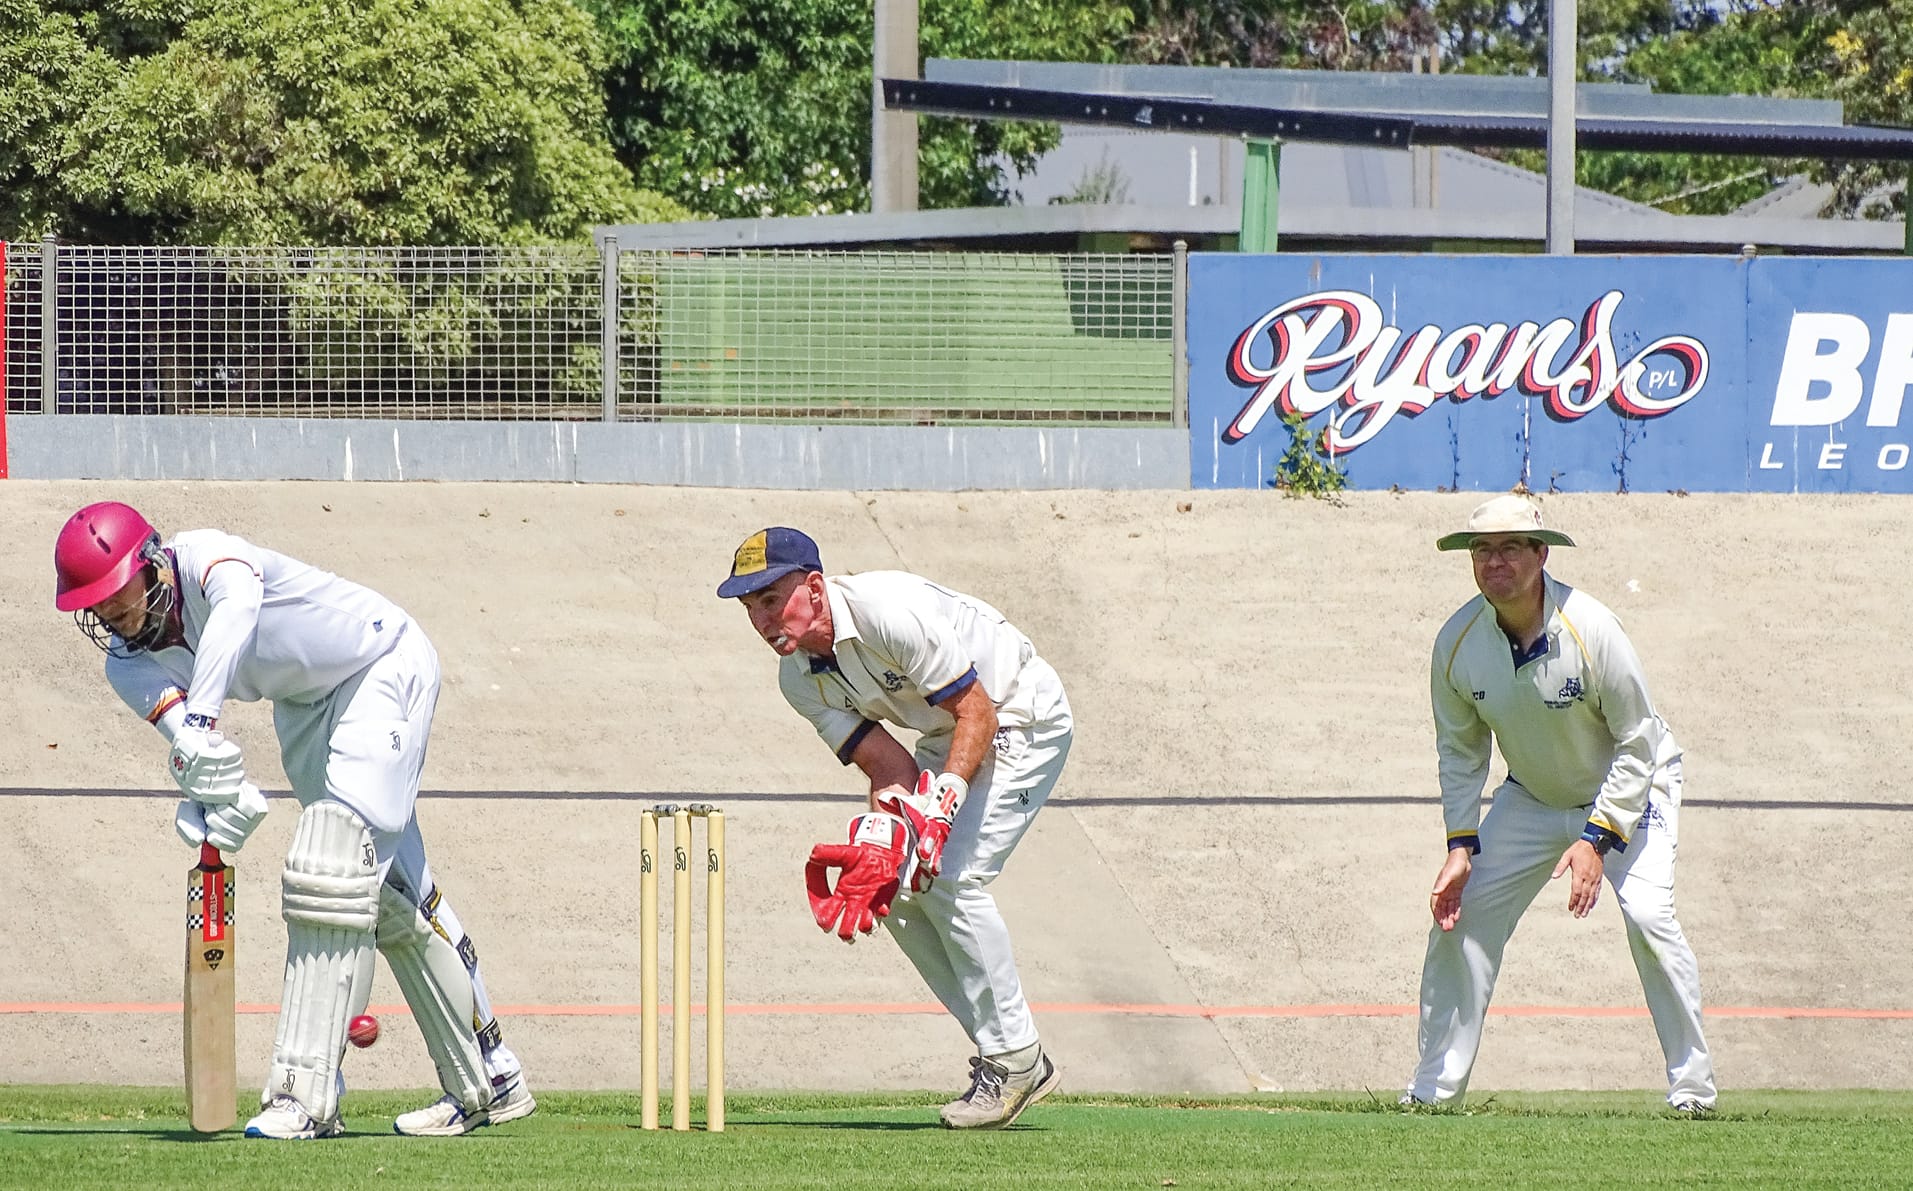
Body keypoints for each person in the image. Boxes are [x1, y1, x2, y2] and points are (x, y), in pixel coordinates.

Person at [53, 501, 535, 1140]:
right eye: (95, 605)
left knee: (332, 871)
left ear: (149, 564)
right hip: (305, 707)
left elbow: (235, 616)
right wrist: (216, 799)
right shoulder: (127, 662)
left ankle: (306, 1096)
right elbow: (201, 757)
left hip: (381, 663)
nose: (111, 613)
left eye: (117, 593)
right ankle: (491, 1077)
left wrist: (201, 722)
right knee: (391, 895)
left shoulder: (209, 562)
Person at [719, 527, 1070, 1129]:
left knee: (953, 876)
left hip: (1020, 715)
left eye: (771, 600)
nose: (761, 619)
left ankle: (1014, 1057)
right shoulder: (798, 680)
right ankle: (1008, 1055)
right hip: (947, 735)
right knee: (898, 890)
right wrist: (886, 838)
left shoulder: (887, 612)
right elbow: (890, 766)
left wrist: (947, 801)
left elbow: (977, 711)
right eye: (749, 607)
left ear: (814, 587)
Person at [1403, 493, 1716, 1114]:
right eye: (1482, 550)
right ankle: (1432, 1094)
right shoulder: (1457, 642)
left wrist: (1597, 838)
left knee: (1650, 920)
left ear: (1542, 555)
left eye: (1512, 548)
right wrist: (1461, 845)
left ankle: (1693, 1093)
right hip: (1534, 796)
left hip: (1633, 786)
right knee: (1461, 922)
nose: (1495, 562)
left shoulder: (1592, 627)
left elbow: (1639, 739)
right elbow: (1461, 751)